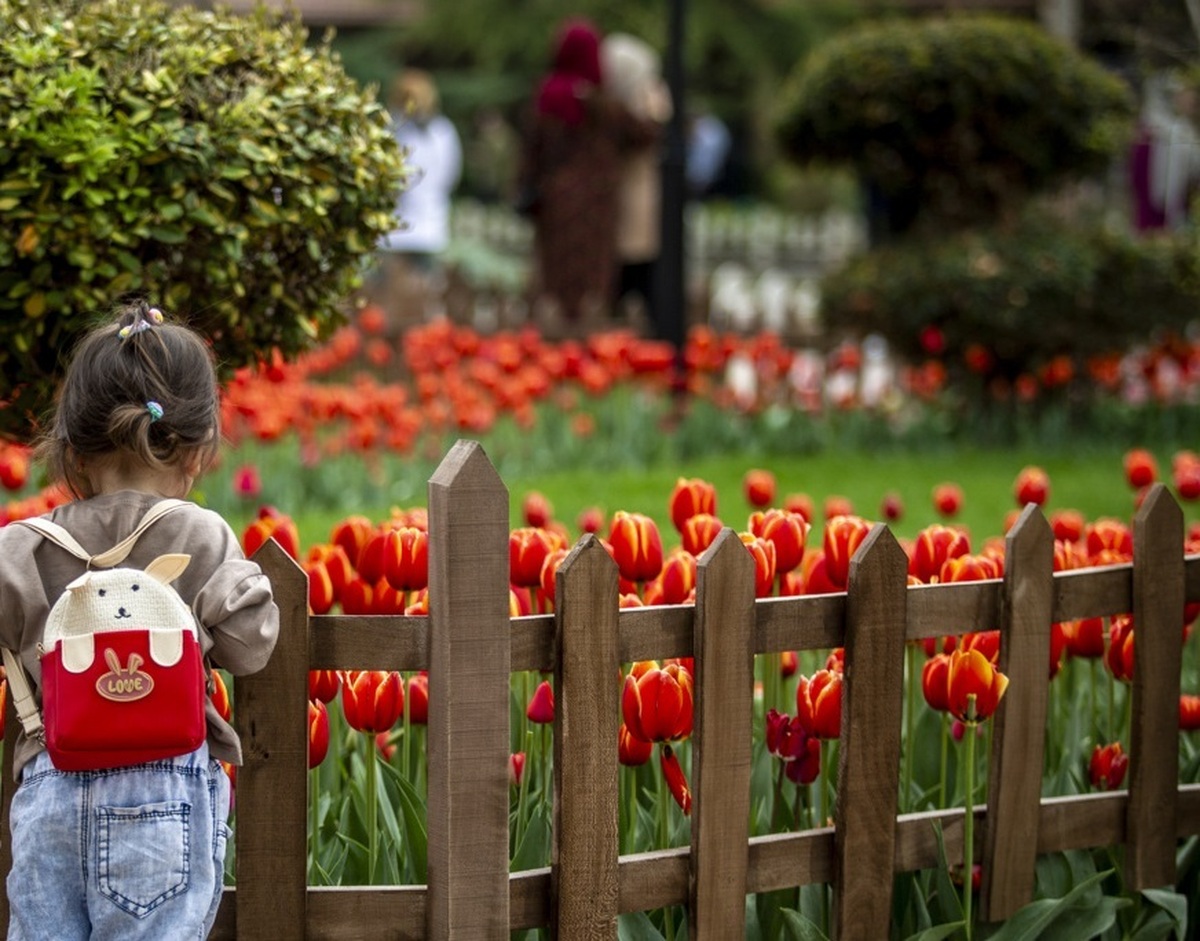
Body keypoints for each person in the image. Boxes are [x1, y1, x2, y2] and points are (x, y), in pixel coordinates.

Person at [0, 301, 280, 939]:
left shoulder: (23, 547)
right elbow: (252, 645)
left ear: (70, 448)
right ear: (198, 447)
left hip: (50, 789)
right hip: (164, 797)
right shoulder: (200, 535)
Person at [517, 18, 662, 328]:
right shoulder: (601, 105)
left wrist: (527, 190)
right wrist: (654, 109)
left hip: (553, 206)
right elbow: (644, 134)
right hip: (597, 207)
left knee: (555, 286)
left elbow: (530, 154)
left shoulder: (545, 98)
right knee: (592, 290)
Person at [374, 69, 463, 325]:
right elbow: (450, 176)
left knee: (403, 300)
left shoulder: (396, 130)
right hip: (415, 227)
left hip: (409, 227)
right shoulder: (440, 132)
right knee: (418, 299)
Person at [601, 33, 671, 330]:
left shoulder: (643, 101)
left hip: (639, 199)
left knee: (639, 266)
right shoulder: (614, 109)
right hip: (623, 201)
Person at [1130, 72, 1200, 233]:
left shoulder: (1186, 130)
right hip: (1154, 202)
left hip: (1179, 203)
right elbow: (1139, 175)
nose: (1192, 102)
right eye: (1187, 97)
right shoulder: (1154, 129)